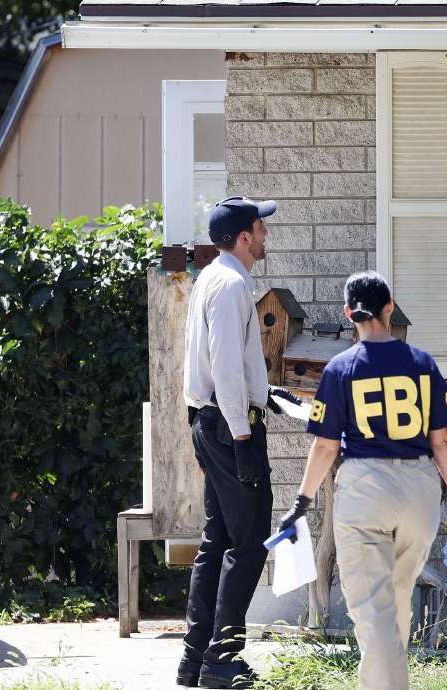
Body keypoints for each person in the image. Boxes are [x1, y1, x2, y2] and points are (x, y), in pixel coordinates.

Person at [274, 271, 447, 690]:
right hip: (420, 489)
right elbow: (442, 442)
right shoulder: (423, 363)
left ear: (348, 313)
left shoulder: (340, 368)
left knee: (372, 613)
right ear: (390, 307)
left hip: (366, 488)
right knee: (396, 605)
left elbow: (326, 447)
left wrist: (301, 501)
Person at [178, 196, 299, 689]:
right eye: (261, 228)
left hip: (212, 420)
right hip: (230, 429)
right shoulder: (230, 285)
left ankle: (195, 658)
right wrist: (244, 433)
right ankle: (221, 661)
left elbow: (224, 365)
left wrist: (264, 393)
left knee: (219, 540)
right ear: (244, 236)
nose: (266, 235)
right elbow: (225, 366)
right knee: (248, 543)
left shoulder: (213, 277)